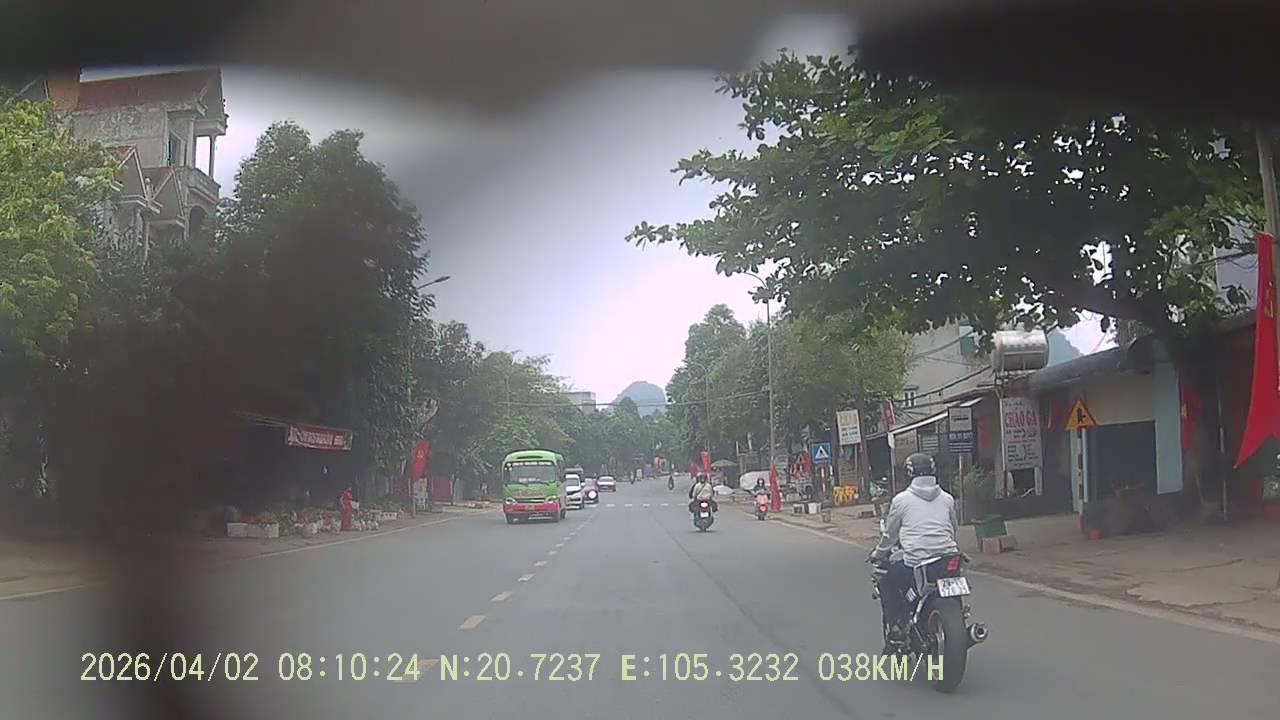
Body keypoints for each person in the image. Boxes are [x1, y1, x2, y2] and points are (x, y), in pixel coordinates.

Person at [869, 453, 960, 651]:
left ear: (908, 475)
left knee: (886, 581)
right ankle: (959, 617)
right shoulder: (947, 499)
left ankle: (896, 631)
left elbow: (890, 535)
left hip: (917, 561)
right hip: (949, 558)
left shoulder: (901, 500)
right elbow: (953, 528)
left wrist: (878, 554)